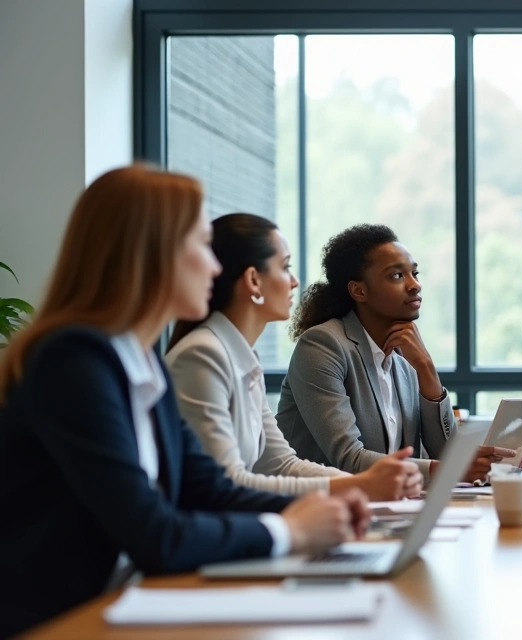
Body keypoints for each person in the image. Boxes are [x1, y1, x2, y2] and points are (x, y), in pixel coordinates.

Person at [0, 166, 369, 637]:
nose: (216, 267)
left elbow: (210, 490)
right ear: (150, 253)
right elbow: (154, 534)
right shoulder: (73, 363)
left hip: (124, 604)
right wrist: (292, 531)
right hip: (62, 622)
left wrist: (329, 511)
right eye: (200, 245)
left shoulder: (141, 364)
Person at [166, 213, 424, 500]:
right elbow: (227, 483)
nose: (294, 281)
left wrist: (363, 483)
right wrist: (360, 485)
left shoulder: (242, 358)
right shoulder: (204, 355)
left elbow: (280, 464)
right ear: (253, 280)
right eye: (285, 267)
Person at [276, 224, 511, 483]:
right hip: (318, 509)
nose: (415, 285)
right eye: (397, 276)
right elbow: (348, 458)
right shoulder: (323, 345)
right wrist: (448, 469)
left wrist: (426, 368)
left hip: (389, 507)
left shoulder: (405, 356)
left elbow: (445, 453)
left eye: (415, 273)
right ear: (359, 291)